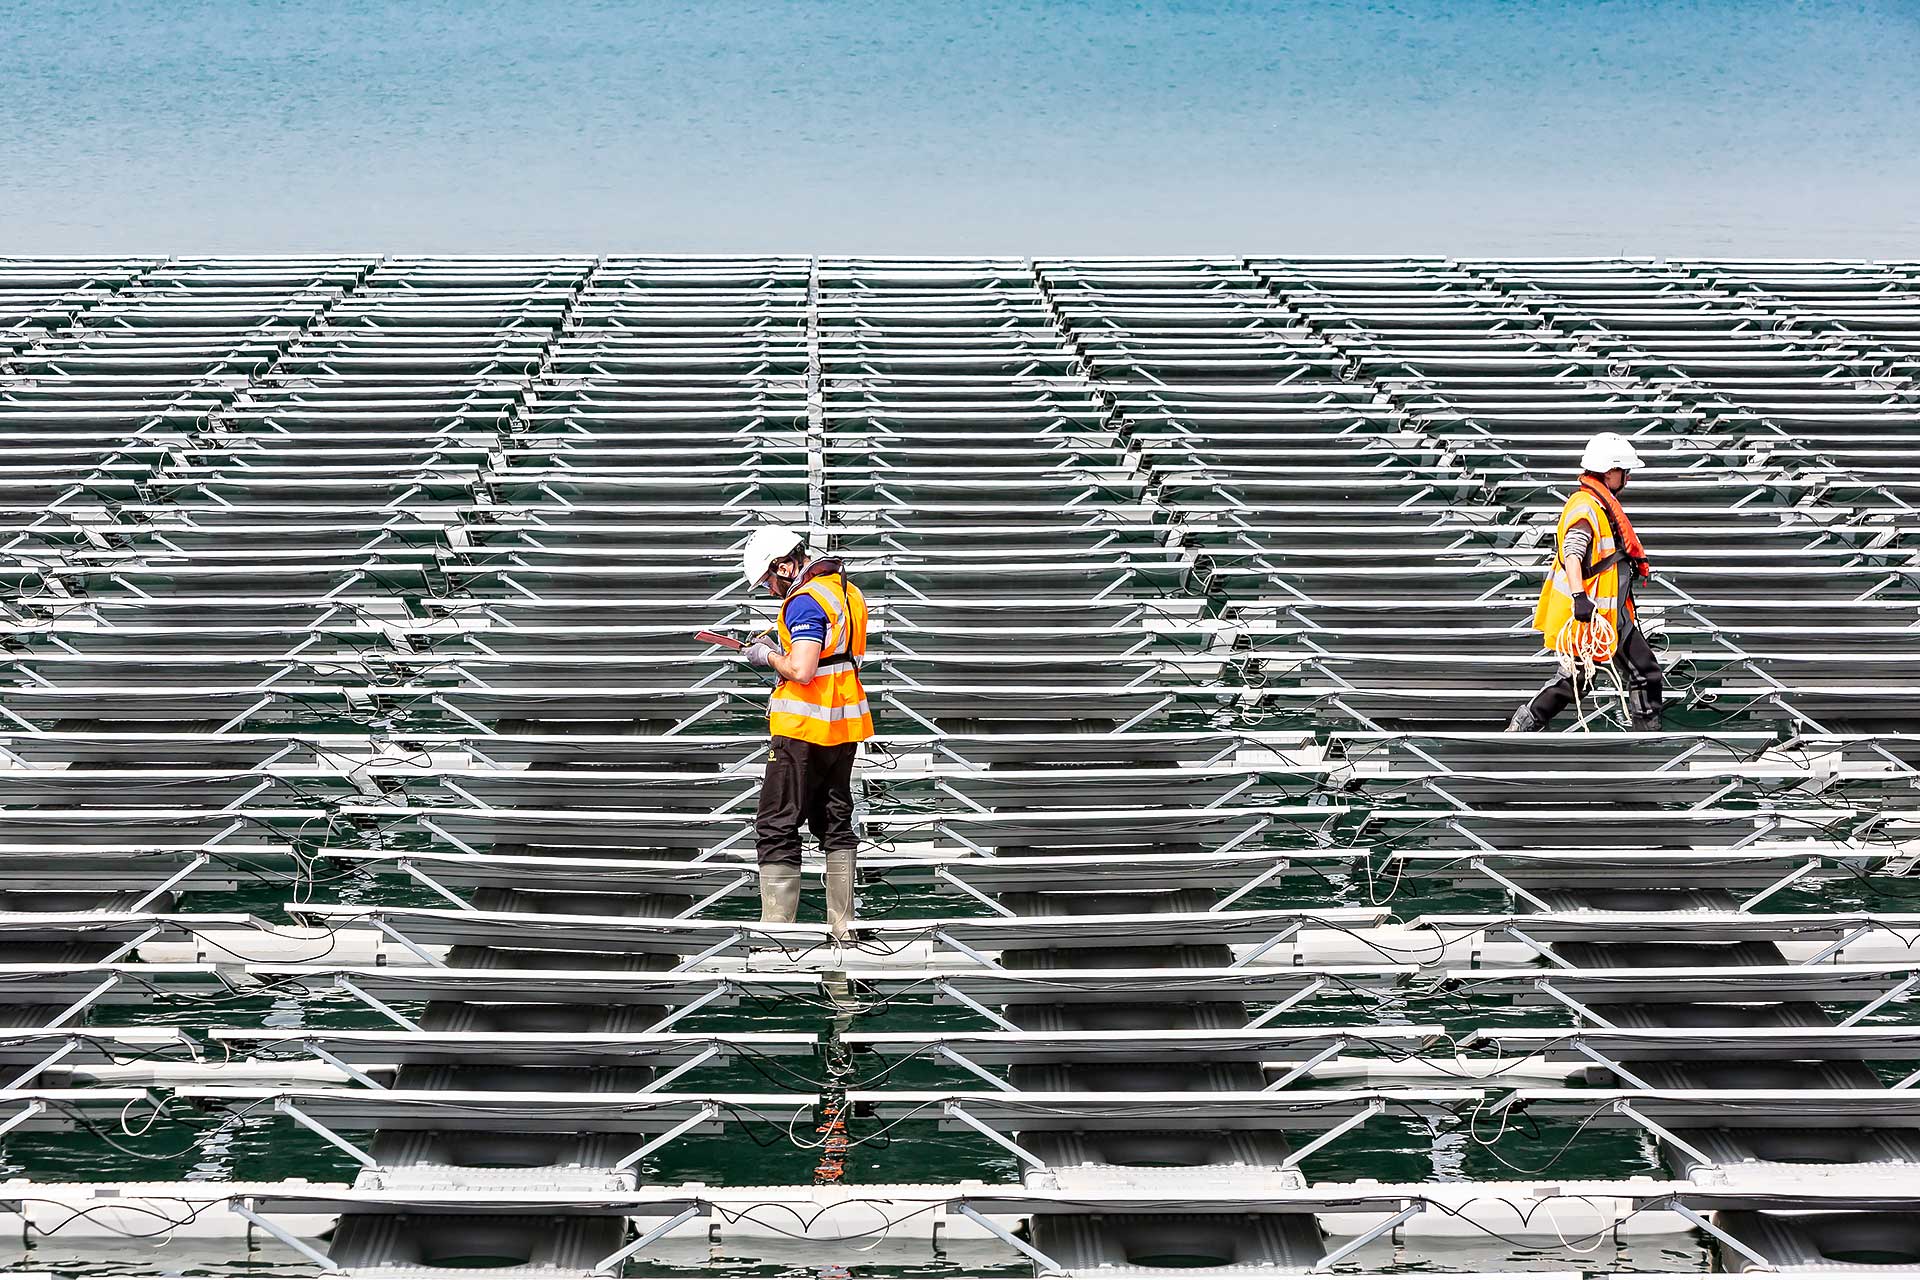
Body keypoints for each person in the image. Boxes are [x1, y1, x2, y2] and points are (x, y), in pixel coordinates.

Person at [737, 526, 873, 939]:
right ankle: (842, 927)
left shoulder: (803, 602)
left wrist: (766, 656)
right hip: (842, 724)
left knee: (776, 823)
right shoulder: (845, 591)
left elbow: (802, 669)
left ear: (784, 565)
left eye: (768, 581)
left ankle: (777, 933)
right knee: (835, 819)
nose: (770, 590)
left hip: (801, 728)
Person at [1507, 432, 1664, 732]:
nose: (1627, 479)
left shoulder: (1600, 505)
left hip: (1612, 615)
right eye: (1624, 472)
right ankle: (1525, 725)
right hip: (1592, 615)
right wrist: (1579, 597)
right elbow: (1573, 554)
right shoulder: (1585, 507)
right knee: (1576, 679)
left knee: (1645, 671)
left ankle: (1649, 736)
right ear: (1609, 472)